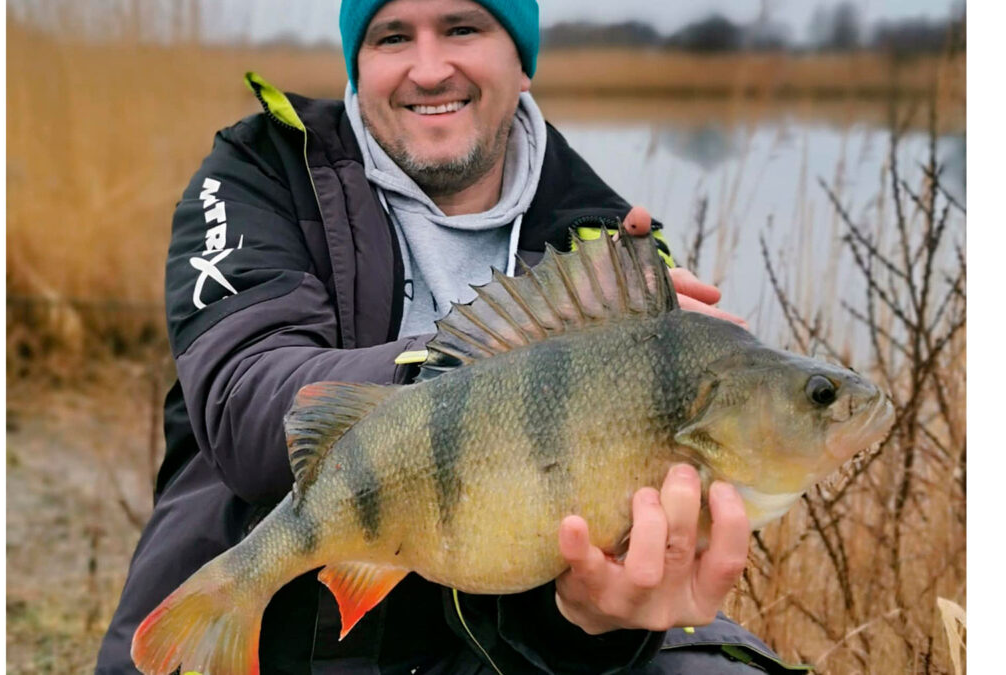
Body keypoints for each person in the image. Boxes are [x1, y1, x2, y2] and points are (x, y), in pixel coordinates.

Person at [97, 1, 806, 672]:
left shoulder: (606, 254)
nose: (430, 68)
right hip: (276, 640)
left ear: (522, 59)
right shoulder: (263, 172)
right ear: (358, 62)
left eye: (463, 28)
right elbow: (245, 403)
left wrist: (594, 618)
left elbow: (558, 581)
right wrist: (459, 377)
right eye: (393, 36)